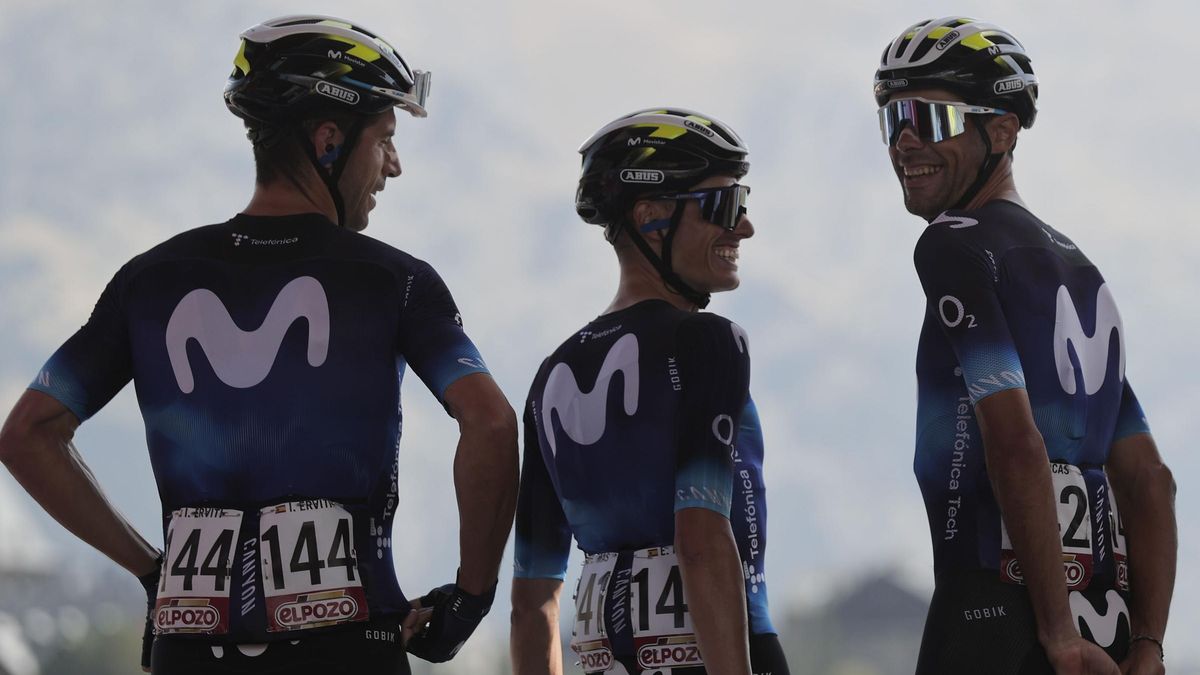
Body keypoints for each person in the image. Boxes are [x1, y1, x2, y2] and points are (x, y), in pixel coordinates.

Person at [0, 14, 518, 675]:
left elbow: (27, 435)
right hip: (344, 646)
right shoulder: (391, 280)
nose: (394, 165)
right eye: (384, 138)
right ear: (329, 139)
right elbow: (492, 420)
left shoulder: (150, 279)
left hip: (191, 647)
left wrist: (153, 567)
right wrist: (470, 595)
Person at [873, 17, 1177, 675]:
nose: (903, 140)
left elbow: (1013, 441)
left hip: (1002, 614)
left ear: (1003, 131)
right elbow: (1149, 478)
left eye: (931, 118)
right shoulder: (1082, 268)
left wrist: (1057, 631)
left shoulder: (955, 243)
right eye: (893, 117)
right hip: (1114, 619)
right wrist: (1149, 644)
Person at [509, 108, 789, 675]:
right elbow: (702, 540)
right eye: (724, 206)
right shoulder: (708, 341)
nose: (744, 227)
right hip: (721, 645)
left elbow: (531, 601)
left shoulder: (551, 372)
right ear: (651, 217)